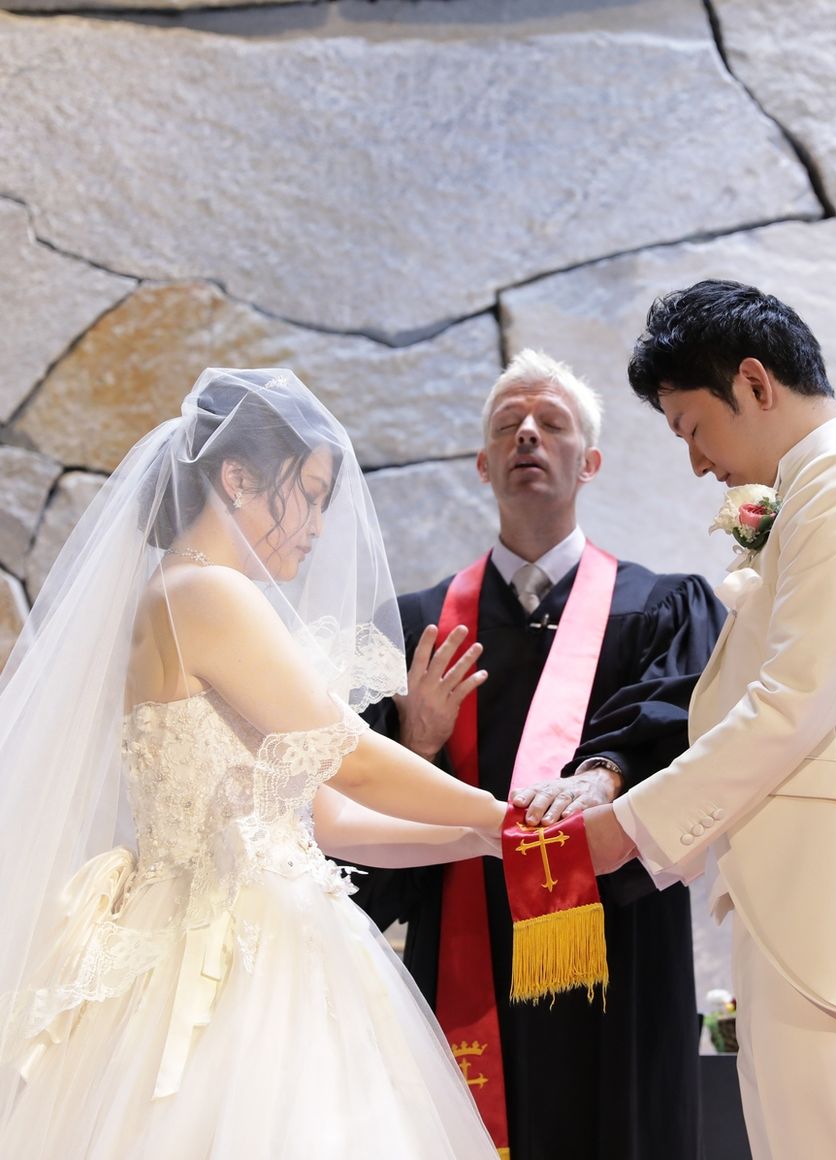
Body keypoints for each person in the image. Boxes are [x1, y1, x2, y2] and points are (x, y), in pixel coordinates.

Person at [0, 368, 505, 1158]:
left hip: (236, 924)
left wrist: (482, 840)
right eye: (310, 494)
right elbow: (349, 758)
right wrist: (502, 810)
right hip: (233, 952)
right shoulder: (205, 594)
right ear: (236, 479)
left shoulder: (197, 595)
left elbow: (329, 821)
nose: (318, 526)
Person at [583, 281, 836, 1159]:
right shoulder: (814, 488)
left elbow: (792, 701)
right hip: (811, 922)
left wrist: (629, 829)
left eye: (693, 428)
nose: (697, 462)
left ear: (755, 383)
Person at [353, 350, 727, 1160]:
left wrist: (608, 772)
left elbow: (689, 744)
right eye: (507, 427)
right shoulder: (418, 628)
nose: (528, 434)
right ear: (482, 464)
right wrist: (417, 740)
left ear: (589, 463)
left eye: (552, 423)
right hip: (466, 949)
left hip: (617, 956)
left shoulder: (662, 610)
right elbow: (357, 814)